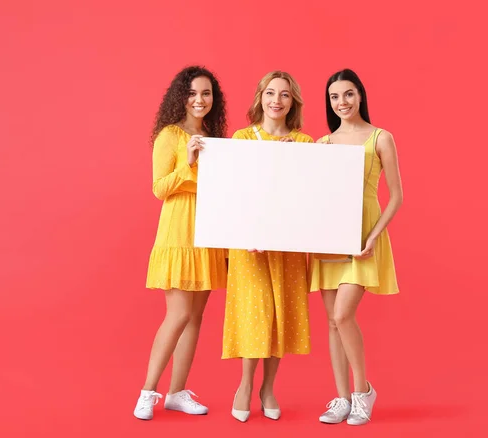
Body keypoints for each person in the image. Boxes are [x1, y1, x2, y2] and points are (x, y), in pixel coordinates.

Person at [133, 66, 228, 420]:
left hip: (209, 233)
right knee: (178, 315)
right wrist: (188, 163)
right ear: (181, 97)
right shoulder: (169, 136)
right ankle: (148, 391)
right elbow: (159, 188)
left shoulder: (217, 139)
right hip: (178, 232)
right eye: (192, 93)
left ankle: (176, 392)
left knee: (196, 318)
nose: (199, 100)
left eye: (206, 93)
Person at [309, 69, 403, 426]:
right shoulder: (323, 144)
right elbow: (311, 194)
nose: (342, 103)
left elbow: (396, 196)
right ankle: (341, 397)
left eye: (348, 94)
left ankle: (363, 392)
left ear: (360, 95)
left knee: (343, 314)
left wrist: (374, 236)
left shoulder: (380, 138)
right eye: (334, 97)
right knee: (332, 323)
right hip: (330, 237)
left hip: (363, 237)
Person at [222, 71, 313, 422]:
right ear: (260, 97)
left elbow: (309, 197)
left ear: (293, 102)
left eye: (285, 95)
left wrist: (301, 161)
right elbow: (235, 192)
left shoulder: (305, 144)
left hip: (287, 247)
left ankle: (269, 387)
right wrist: (246, 234)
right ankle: (245, 385)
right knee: (255, 313)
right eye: (271, 93)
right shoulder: (241, 138)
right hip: (250, 246)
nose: (277, 100)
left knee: (280, 316)